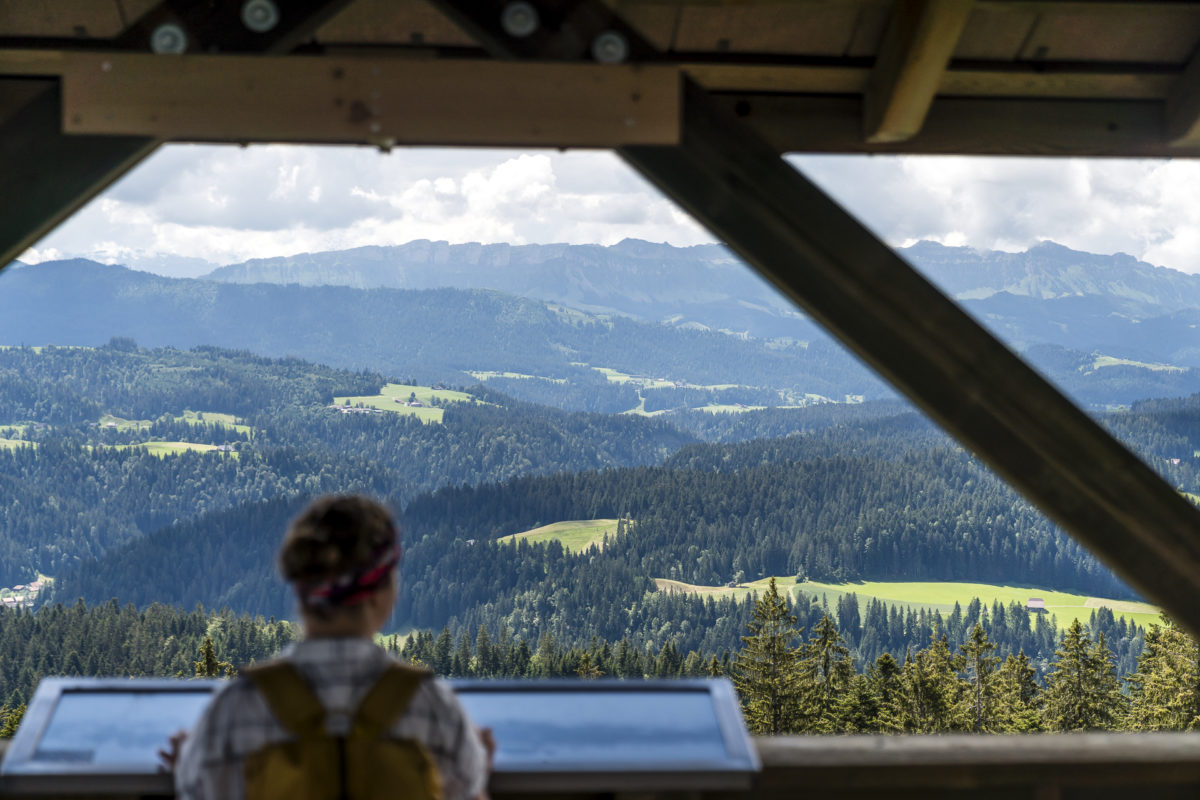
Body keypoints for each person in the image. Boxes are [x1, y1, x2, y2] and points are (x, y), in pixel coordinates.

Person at [166, 495, 491, 800]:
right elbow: (466, 788)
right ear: (380, 594)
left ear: (301, 591)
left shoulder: (236, 708)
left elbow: (200, 785)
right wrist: (478, 760)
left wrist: (187, 762)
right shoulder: (433, 708)